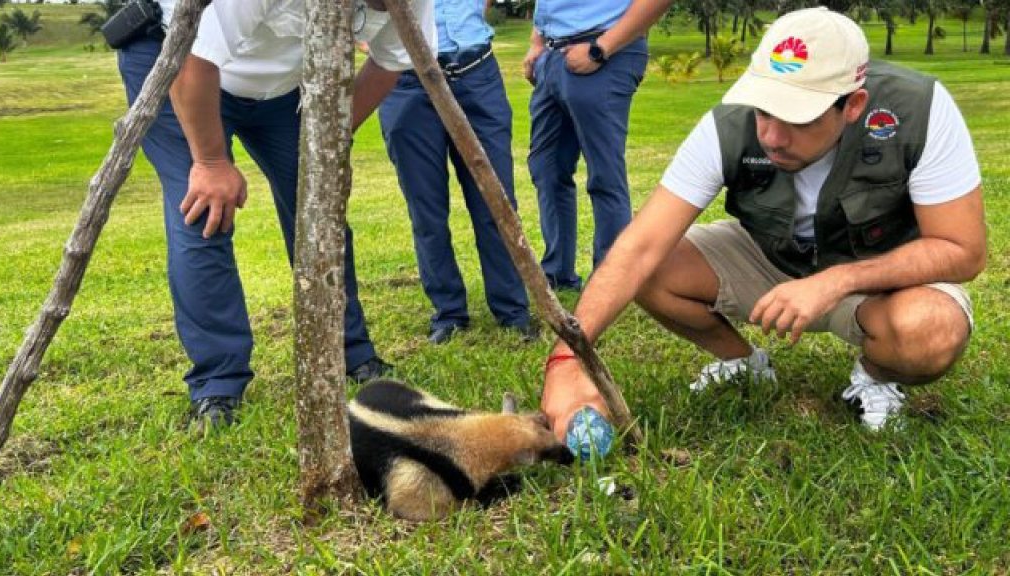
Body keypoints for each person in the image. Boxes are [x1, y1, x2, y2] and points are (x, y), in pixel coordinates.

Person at [541, 7, 985, 435]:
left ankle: (874, 377)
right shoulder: (729, 124)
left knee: (931, 329)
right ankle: (744, 364)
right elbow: (640, 246)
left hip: (880, 279)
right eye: (764, 109)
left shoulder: (919, 110)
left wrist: (836, 281)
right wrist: (567, 358)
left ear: (853, 105)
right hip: (772, 258)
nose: (770, 135)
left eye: (796, 116)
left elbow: (963, 251)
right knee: (649, 265)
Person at [116, 0, 437, 429]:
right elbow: (195, 53)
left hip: (280, 89)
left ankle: (350, 349)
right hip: (181, 64)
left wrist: (329, 135)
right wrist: (211, 163)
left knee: (320, 210)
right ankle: (218, 382)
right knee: (203, 213)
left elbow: (388, 62)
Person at [378, 0, 535, 345]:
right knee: (427, 211)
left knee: (497, 202)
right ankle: (448, 313)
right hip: (407, 83)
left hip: (476, 75)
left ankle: (512, 310)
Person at [522, 0, 673, 290]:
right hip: (554, 56)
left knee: (604, 175)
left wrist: (600, 48)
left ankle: (612, 282)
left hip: (603, 54)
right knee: (546, 169)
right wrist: (537, 41)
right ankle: (557, 275)